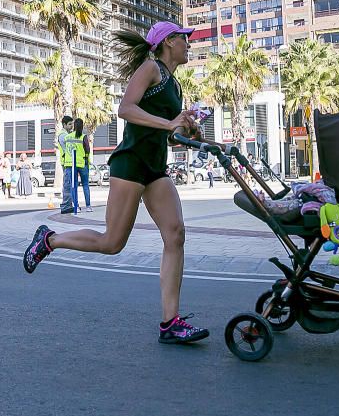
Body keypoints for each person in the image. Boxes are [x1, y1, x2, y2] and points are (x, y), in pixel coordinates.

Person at [22, 21, 208, 344]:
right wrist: (168, 122)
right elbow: (125, 108)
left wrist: (188, 130)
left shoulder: (175, 87)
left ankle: (171, 322)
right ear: (168, 42)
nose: (188, 44)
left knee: (175, 235)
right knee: (112, 242)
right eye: (184, 39)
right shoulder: (151, 68)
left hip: (155, 168)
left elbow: (171, 137)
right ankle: (49, 240)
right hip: (131, 164)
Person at [71, 117, 93, 212]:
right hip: (83, 163)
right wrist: (86, 157)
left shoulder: (69, 136)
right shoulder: (83, 136)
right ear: (82, 126)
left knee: (74, 185)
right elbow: (87, 149)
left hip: (72, 164)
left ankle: (76, 206)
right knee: (85, 185)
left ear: (74, 126)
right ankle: (88, 206)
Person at [55, 115, 75, 212]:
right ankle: (66, 206)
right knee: (67, 184)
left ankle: (68, 205)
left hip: (70, 163)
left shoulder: (67, 134)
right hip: (67, 163)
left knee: (69, 184)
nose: (72, 126)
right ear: (64, 124)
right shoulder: (63, 135)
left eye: (72, 124)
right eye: (70, 124)